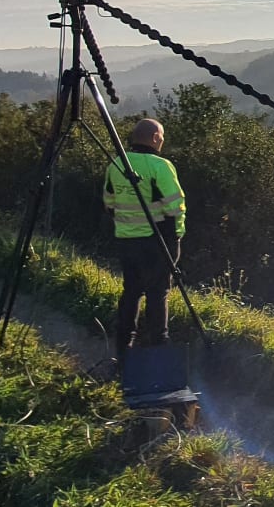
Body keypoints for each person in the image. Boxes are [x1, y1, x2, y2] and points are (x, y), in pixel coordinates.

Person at [103, 117, 186, 364]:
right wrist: (177, 238)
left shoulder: (116, 164)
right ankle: (158, 349)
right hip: (157, 242)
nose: (162, 141)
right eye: (161, 137)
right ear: (154, 138)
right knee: (158, 293)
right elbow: (176, 207)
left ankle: (123, 352)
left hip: (127, 241)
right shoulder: (160, 166)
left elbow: (109, 204)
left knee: (131, 293)